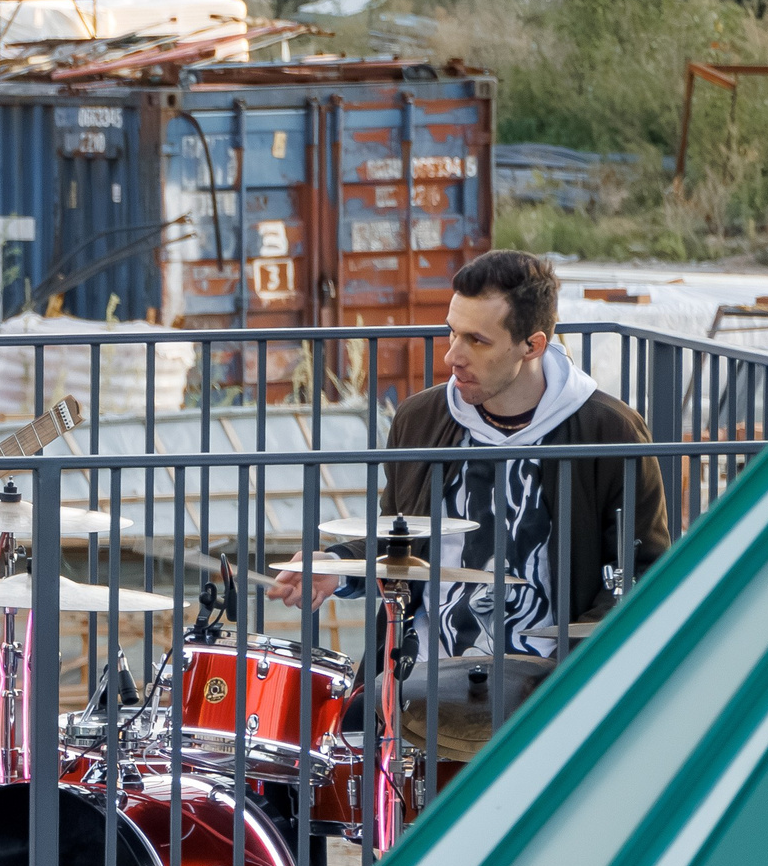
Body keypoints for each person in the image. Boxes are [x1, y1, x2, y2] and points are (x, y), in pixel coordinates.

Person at [272, 248, 669, 656]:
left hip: (552, 677)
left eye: (477, 341)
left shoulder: (609, 431)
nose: (452, 356)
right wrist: (337, 567)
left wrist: (584, 664)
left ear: (533, 345)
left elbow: (645, 571)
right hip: (423, 669)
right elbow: (400, 542)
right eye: (453, 333)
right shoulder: (420, 420)